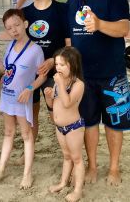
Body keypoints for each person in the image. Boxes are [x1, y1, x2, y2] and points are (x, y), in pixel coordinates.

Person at [66, 0, 130, 186]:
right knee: (89, 123)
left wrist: (101, 24)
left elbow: (125, 27)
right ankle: (92, 166)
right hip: (84, 76)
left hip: (113, 74)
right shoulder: (73, 1)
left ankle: (113, 168)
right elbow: (70, 40)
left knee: (115, 123)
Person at [0, 9, 46, 188]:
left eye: (17, 25)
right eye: (9, 28)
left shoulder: (36, 50)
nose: (14, 30)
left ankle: (27, 174)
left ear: (25, 24)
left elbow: (42, 76)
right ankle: (1, 169)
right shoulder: (10, 46)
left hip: (22, 99)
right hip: (7, 97)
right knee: (8, 133)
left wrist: (30, 88)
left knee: (27, 135)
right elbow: (6, 71)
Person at [22, 0, 70, 157]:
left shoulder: (62, 9)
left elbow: (68, 44)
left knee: (57, 115)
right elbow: (19, 43)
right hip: (31, 73)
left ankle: (68, 154)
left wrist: (53, 60)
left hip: (54, 72)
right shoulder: (24, 13)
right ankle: (29, 153)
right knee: (31, 116)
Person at [44, 46, 85, 202]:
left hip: (74, 127)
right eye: (56, 64)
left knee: (76, 158)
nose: (58, 68)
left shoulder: (78, 84)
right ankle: (63, 182)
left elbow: (67, 103)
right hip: (60, 128)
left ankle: (77, 191)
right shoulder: (57, 82)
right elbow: (54, 104)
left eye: (62, 65)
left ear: (72, 65)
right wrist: (49, 95)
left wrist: (60, 84)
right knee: (66, 157)